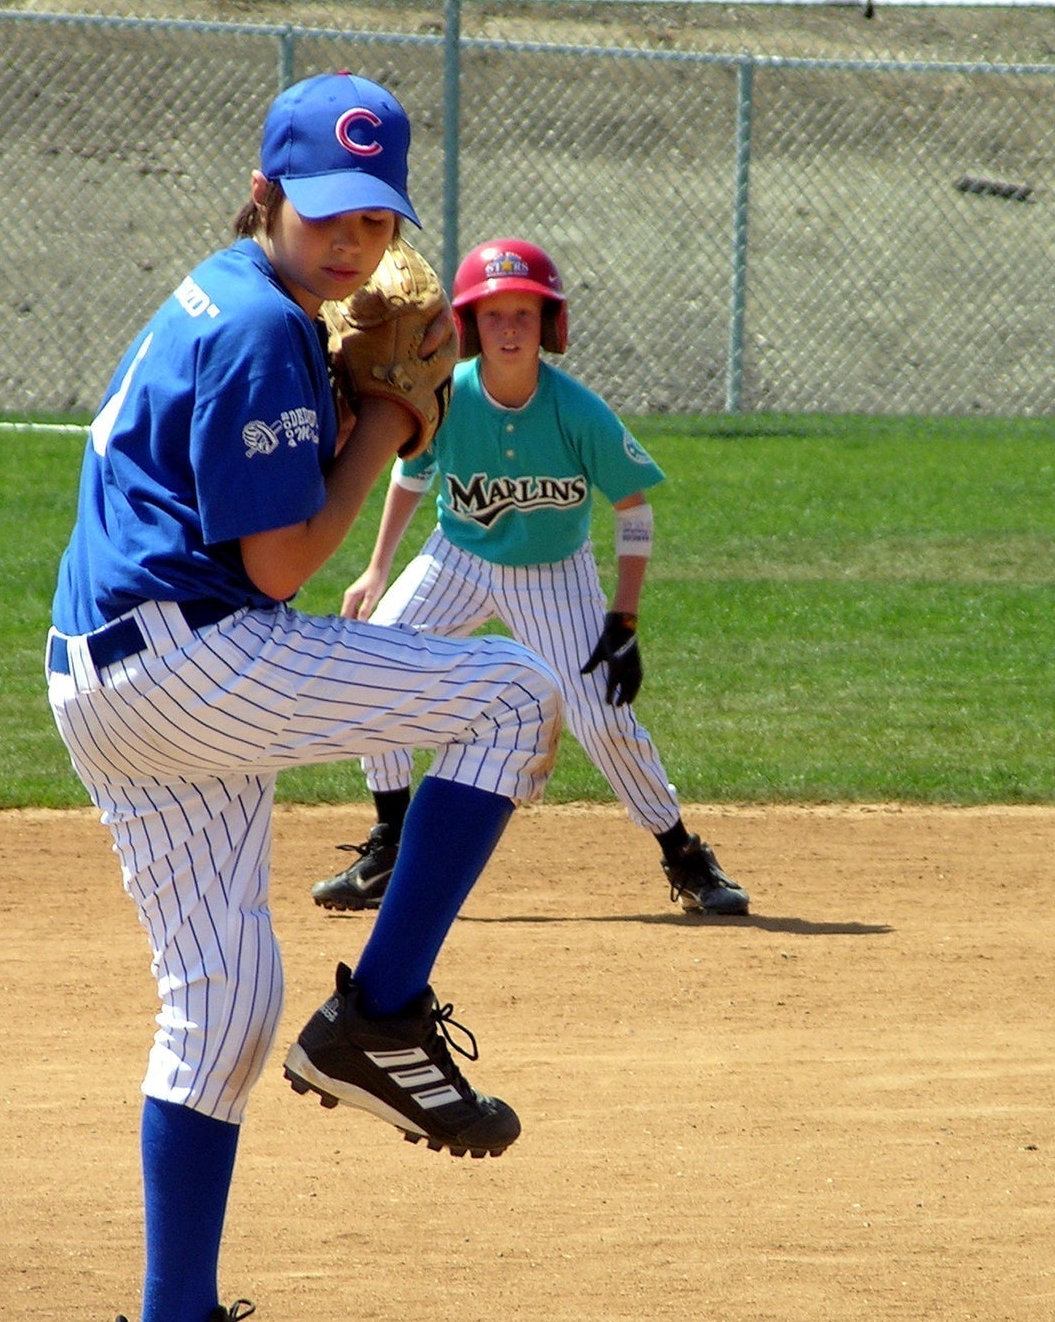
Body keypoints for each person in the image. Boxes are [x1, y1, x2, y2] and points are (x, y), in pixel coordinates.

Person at [46, 72, 564, 1322]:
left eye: (373, 221)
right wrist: (387, 421)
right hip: (191, 660)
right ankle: (382, 1012)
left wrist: (353, 401)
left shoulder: (223, 294)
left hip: (104, 675)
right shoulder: (265, 329)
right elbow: (281, 566)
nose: (348, 244)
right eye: (323, 214)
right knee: (512, 697)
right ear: (263, 193)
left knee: (221, 1009)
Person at [308, 237, 750, 918]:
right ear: (469, 325)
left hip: (554, 574)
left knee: (601, 717)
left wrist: (625, 616)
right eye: (494, 314)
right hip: (456, 561)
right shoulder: (447, 396)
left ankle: (684, 854)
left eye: (524, 313)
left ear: (549, 324)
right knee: (376, 666)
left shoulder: (576, 411)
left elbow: (634, 511)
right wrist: (376, 569)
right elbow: (411, 473)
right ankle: (391, 841)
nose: (509, 328)